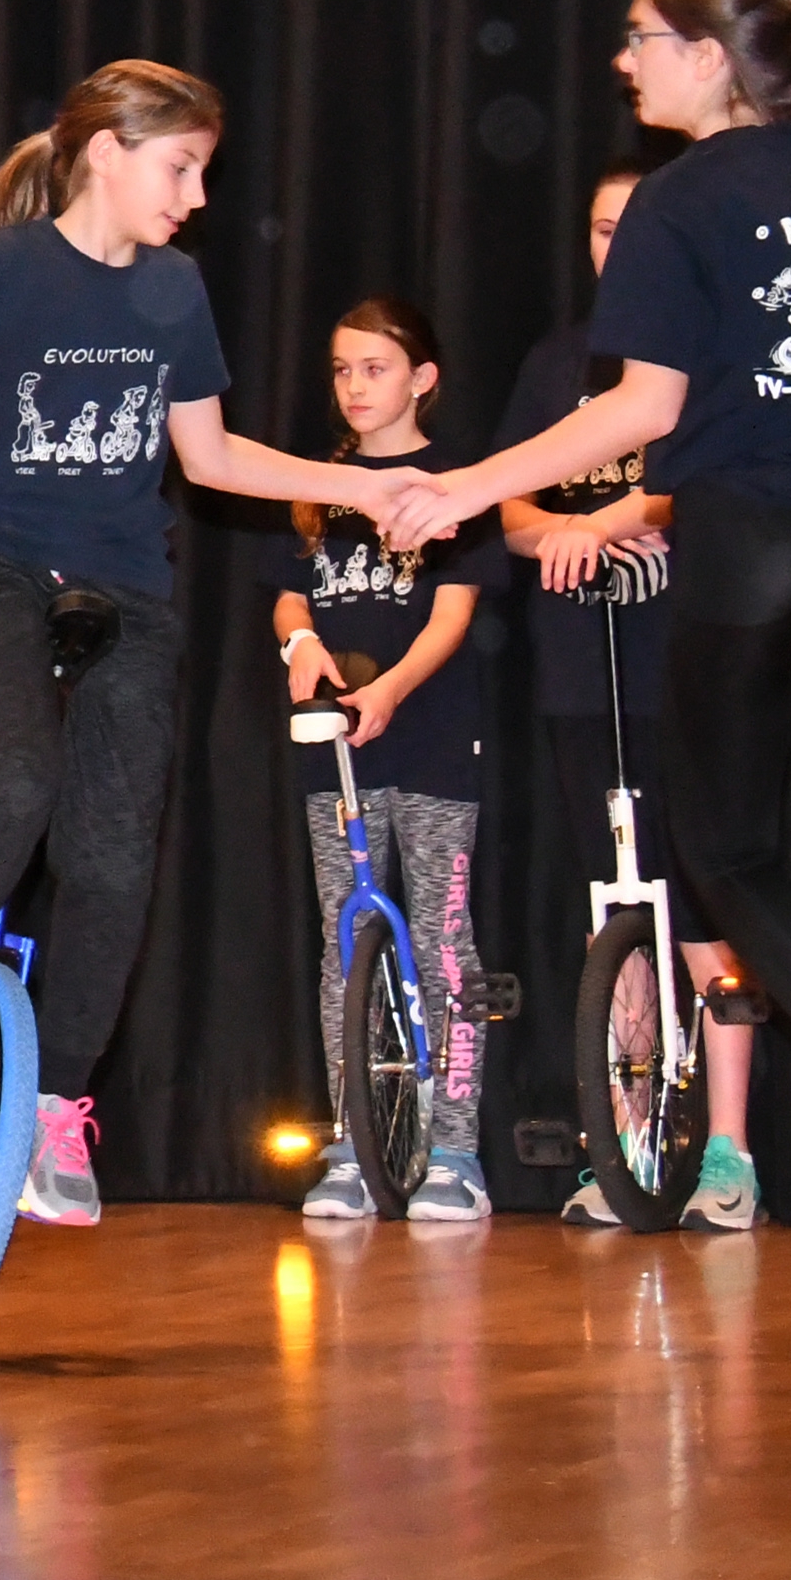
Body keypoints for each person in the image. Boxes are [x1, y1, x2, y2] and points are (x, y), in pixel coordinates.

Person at [377, 0, 791, 1226]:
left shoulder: (676, 203)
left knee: (721, 852)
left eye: (638, 39)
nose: (622, 64)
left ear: (708, 56)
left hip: (763, 541)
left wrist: (463, 486)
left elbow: (639, 409)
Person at [0, 59, 428, 1225]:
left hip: (126, 590)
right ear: (105, 153)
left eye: (204, 174)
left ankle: (56, 1105)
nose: (196, 198)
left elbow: (209, 457)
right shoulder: (0, 267)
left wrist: (359, 488)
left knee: (111, 851)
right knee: (16, 779)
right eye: (180, 168)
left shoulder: (172, 288)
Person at [494, 160, 757, 1231]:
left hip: (687, 658)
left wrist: (608, 519)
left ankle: (731, 1152)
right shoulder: (556, 363)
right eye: (602, 229)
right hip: (580, 662)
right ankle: (631, 1142)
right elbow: (512, 505)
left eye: (635, 228)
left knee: (701, 897)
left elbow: (711, 487)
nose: (617, 247)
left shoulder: (709, 348)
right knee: (616, 898)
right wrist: (556, 531)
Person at [273, 298, 505, 1221]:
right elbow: (289, 596)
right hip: (335, 754)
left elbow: (454, 613)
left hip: (433, 739)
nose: (355, 386)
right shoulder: (315, 484)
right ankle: (354, 1144)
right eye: (342, 369)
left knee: (443, 944)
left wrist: (393, 690)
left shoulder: (457, 482)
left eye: (374, 368)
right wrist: (300, 644)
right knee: (346, 946)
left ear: (422, 378)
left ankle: (454, 1152)